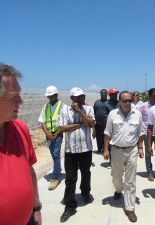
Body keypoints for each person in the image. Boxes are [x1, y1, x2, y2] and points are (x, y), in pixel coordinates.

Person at [0, 61, 42, 225]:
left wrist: (36, 208)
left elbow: (29, 172)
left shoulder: (20, 128)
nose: (21, 102)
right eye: (14, 97)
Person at [103, 91, 144, 223]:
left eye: (129, 100)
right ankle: (118, 190)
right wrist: (105, 150)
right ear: (119, 101)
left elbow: (141, 132)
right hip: (116, 150)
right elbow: (107, 132)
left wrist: (141, 147)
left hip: (132, 150)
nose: (127, 103)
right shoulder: (112, 114)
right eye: (124, 101)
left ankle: (129, 208)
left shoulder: (137, 114)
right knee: (116, 176)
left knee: (130, 180)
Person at [58, 87, 95, 223]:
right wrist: (81, 124)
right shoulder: (64, 111)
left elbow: (91, 123)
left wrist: (79, 112)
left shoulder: (88, 109)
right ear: (71, 98)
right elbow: (62, 128)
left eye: (81, 96)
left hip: (86, 148)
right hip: (70, 150)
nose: (79, 99)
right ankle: (70, 205)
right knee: (71, 177)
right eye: (76, 97)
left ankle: (85, 193)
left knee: (86, 173)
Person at [38, 85, 67, 190]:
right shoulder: (45, 107)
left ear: (56, 95)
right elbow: (42, 123)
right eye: (48, 96)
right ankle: (58, 168)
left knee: (56, 154)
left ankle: (55, 178)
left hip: (58, 134)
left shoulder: (62, 106)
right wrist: (48, 134)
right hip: (48, 134)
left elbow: (64, 124)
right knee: (53, 153)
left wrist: (56, 133)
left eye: (52, 96)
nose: (50, 98)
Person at [136, 88, 155, 181]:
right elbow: (137, 114)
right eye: (154, 96)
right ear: (149, 96)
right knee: (148, 153)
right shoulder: (143, 106)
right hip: (146, 133)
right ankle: (149, 171)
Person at [105, 88, 120, 168]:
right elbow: (105, 116)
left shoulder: (119, 103)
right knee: (110, 145)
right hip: (110, 127)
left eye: (116, 94)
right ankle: (111, 162)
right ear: (110, 95)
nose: (115, 95)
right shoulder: (106, 104)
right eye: (113, 94)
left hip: (119, 127)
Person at [93, 89, 108, 153]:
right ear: (100, 94)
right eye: (102, 93)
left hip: (106, 124)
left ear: (107, 94)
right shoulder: (96, 102)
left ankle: (105, 149)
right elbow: (94, 112)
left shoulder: (108, 102)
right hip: (98, 123)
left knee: (105, 137)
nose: (103, 94)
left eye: (105, 93)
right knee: (98, 137)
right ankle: (99, 149)